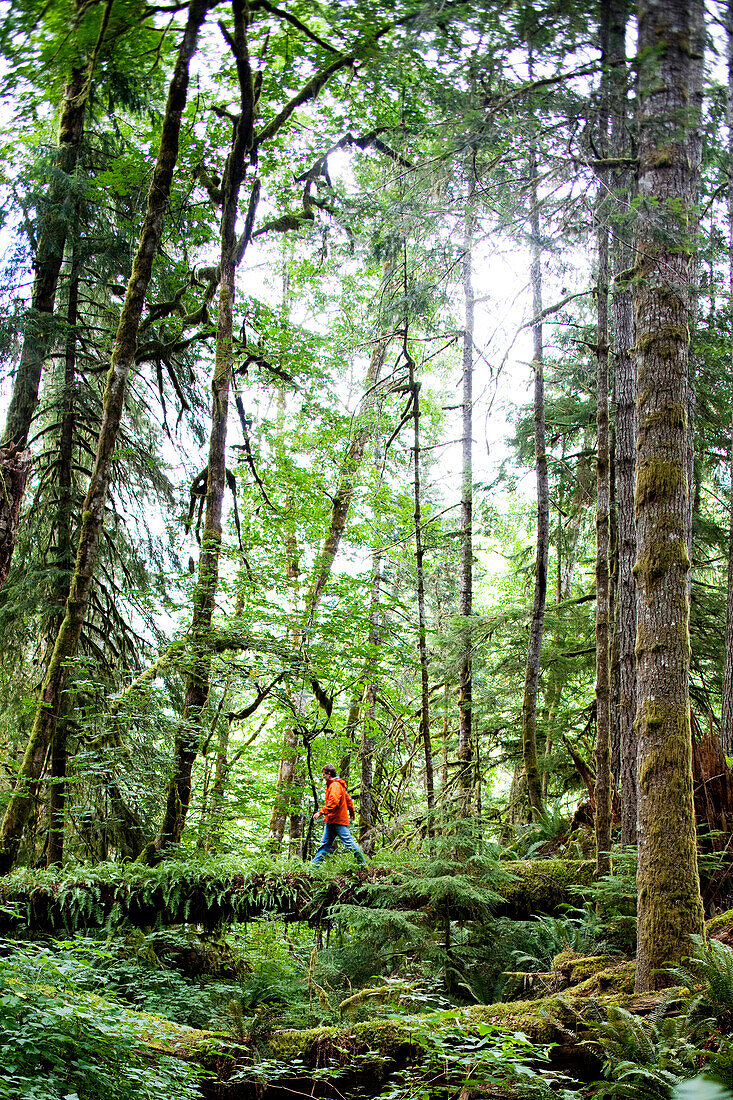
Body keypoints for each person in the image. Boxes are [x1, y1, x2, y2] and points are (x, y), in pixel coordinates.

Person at [311, 764, 366, 865]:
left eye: (324, 774)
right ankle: (313, 867)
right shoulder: (336, 784)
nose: (323, 776)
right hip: (331, 820)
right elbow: (348, 799)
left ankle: (363, 865)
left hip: (338, 820)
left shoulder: (335, 785)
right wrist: (352, 812)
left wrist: (321, 812)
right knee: (324, 845)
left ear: (329, 773)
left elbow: (334, 802)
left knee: (349, 843)